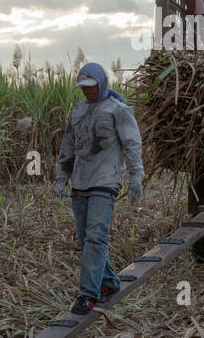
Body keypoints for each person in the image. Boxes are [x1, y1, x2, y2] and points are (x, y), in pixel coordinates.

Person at [55, 63, 145, 315]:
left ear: (101, 83)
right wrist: (62, 174)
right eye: (83, 88)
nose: (87, 91)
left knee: (96, 236)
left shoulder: (117, 109)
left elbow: (132, 143)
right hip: (81, 180)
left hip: (106, 180)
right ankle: (109, 282)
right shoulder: (79, 110)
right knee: (86, 240)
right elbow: (69, 143)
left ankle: (88, 294)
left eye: (91, 87)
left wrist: (136, 176)